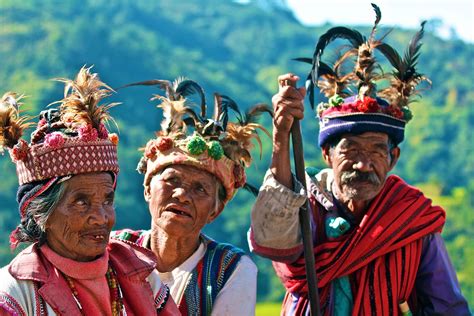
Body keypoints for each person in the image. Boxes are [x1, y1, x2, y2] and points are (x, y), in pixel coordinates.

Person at [248, 5, 470, 316]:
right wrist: (281, 137)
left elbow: (447, 308)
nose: (363, 165)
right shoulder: (305, 205)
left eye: (377, 151)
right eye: (350, 150)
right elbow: (273, 239)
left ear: (393, 158)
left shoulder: (410, 218)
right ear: (327, 155)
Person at [0, 68, 179, 315]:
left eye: (107, 200)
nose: (101, 217)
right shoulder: (14, 293)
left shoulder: (139, 272)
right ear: (43, 215)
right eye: (81, 202)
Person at [112, 78, 272, 315]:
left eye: (200, 189)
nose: (182, 195)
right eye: (171, 180)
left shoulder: (232, 270)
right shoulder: (113, 251)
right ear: (147, 189)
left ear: (215, 211)